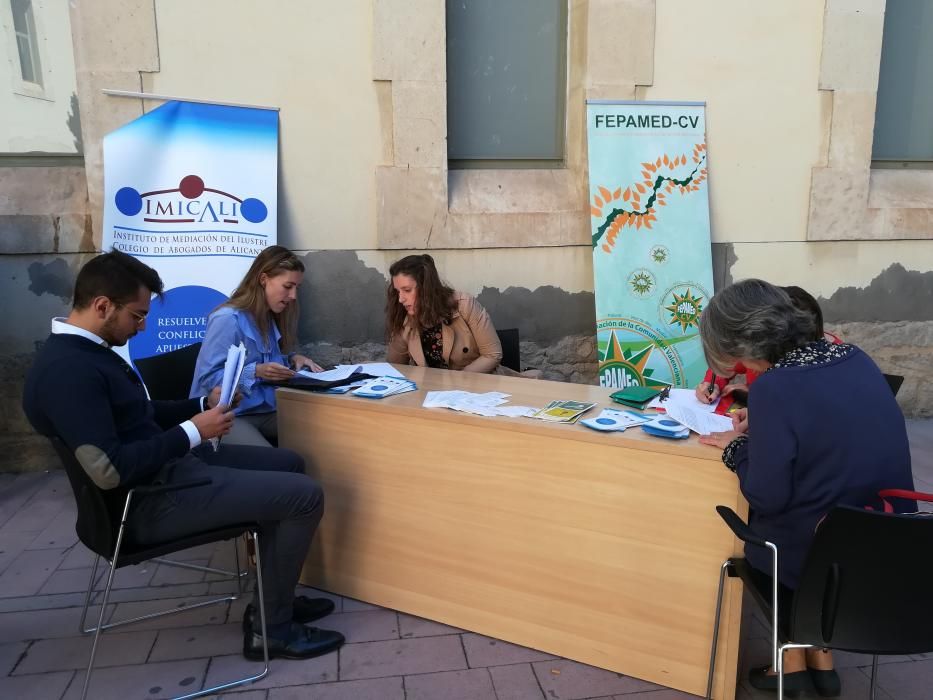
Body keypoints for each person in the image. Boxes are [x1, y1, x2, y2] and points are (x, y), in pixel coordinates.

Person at [22, 250, 344, 662]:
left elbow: (140, 414)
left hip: (166, 474)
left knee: (289, 464)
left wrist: (197, 405)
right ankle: (273, 631)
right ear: (102, 306)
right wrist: (193, 431)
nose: (141, 327)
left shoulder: (88, 353)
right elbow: (109, 470)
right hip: (147, 503)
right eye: (137, 316)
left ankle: (273, 598)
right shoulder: (69, 372)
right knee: (304, 495)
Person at [697, 279, 913, 697]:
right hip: (886, 546)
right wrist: (763, 431)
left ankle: (791, 670)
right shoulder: (854, 357)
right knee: (813, 510)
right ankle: (817, 660)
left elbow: (767, 495)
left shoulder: (776, 388)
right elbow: (829, 435)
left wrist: (739, 448)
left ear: (742, 342)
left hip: (816, 558)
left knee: (764, 527)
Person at [191, 246, 322, 447]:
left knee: (327, 434)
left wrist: (292, 359)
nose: (294, 296)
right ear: (263, 280)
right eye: (288, 286)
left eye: (297, 288)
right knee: (274, 462)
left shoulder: (268, 317)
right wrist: (256, 372)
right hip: (229, 415)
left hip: (267, 409)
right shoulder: (227, 319)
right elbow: (208, 379)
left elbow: (267, 361)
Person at [694, 285, 840, 413]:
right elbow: (727, 363)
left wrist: (755, 395)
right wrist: (712, 384)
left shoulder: (831, 362)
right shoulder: (762, 348)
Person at [385, 254, 505, 372]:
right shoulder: (404, 315)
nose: (400, 299)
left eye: (407, 290)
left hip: (475, 386)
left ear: (427, 288)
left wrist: (456, 384)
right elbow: (395, 367)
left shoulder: (464, 305)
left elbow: (492, 355)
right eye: (397, 291)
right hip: (429, 389)